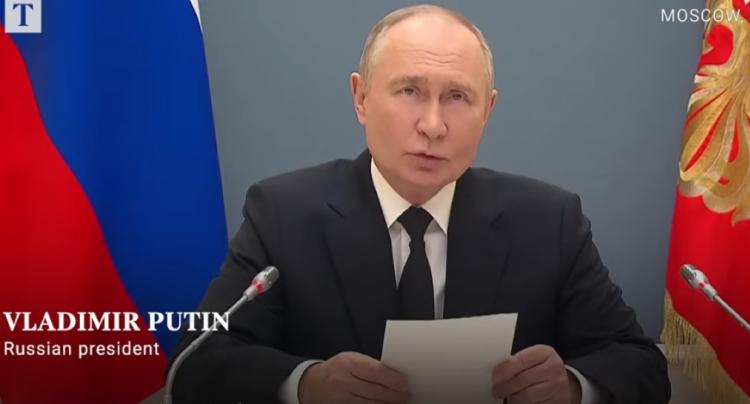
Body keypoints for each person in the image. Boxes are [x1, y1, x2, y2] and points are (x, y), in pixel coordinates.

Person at [171, 4, 671, 404]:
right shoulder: (283, 214)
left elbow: (640, 363)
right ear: (361, 98)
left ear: (488, 110)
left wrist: (572, 388)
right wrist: (306, 385)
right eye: (409, 90)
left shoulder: (549, 221)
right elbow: (195, 364)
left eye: (458, 97)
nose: (433, 125)